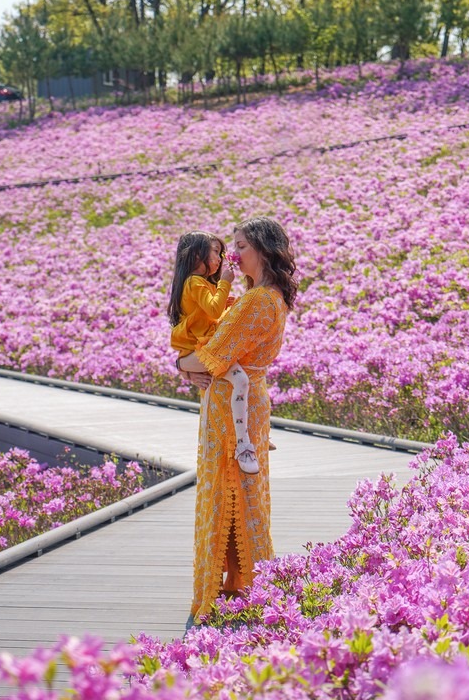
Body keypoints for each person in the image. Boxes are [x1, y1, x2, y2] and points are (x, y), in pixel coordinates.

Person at [176, 217, 297, 629]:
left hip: (233, 410)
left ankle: (237, 588)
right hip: (245, 401)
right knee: (242, 490)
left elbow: (211, 356)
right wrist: (196, 365)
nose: (233, 254)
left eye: (241, 245)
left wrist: (181, 363)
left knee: (228, 489)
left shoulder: (257, 301)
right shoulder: (268, 297)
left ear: (262, 249)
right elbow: (216, 355)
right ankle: (241, 584)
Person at [168, 231, 260, 474]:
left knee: (240, 380)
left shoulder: (195, 283)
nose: (220, 259)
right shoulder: (195, 282)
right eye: (214, 253)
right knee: (241, 380)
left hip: (199, 350)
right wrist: (226, 282)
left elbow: (209, 313)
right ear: (196, 253)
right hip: (202, 349)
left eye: (221, 253)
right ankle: (244, 443)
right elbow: (212, 307)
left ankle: (251, 435)